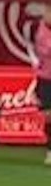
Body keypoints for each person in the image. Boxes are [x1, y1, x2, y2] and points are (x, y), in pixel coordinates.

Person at [34, 13, 51, 167]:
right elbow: (46, 52)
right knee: (48, 117)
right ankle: (50, 151)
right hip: (46, 80)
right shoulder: (41, 33)